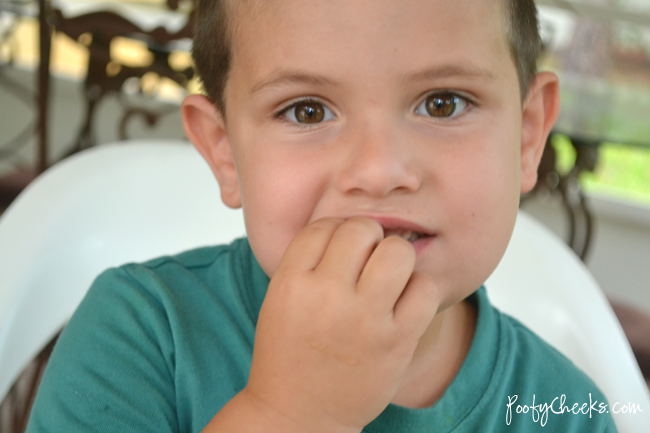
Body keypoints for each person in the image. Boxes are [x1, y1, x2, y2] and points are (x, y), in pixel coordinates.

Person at [27, 0, 618, 432]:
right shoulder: (140, 336)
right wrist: (290, 415)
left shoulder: (566, 412)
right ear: (225, 152)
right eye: (306, 111)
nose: (379, 170)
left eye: (443, 103)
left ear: (527, 137)